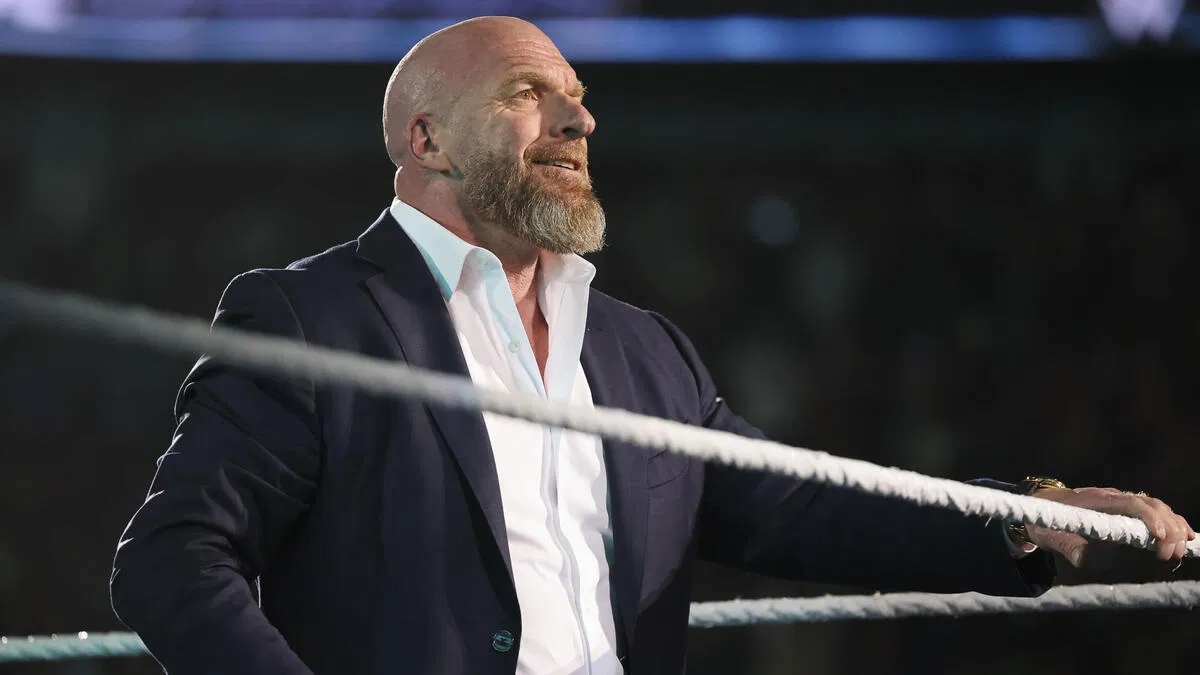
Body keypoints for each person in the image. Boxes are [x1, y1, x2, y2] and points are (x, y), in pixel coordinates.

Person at [109, 16, 1194, 675]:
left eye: (579, 101)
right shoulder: (311, 317)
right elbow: (170, 561)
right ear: (426, 137)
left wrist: (1022, 517)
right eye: (528, 96)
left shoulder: (638, 348)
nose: (578, 123)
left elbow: (796, 504)